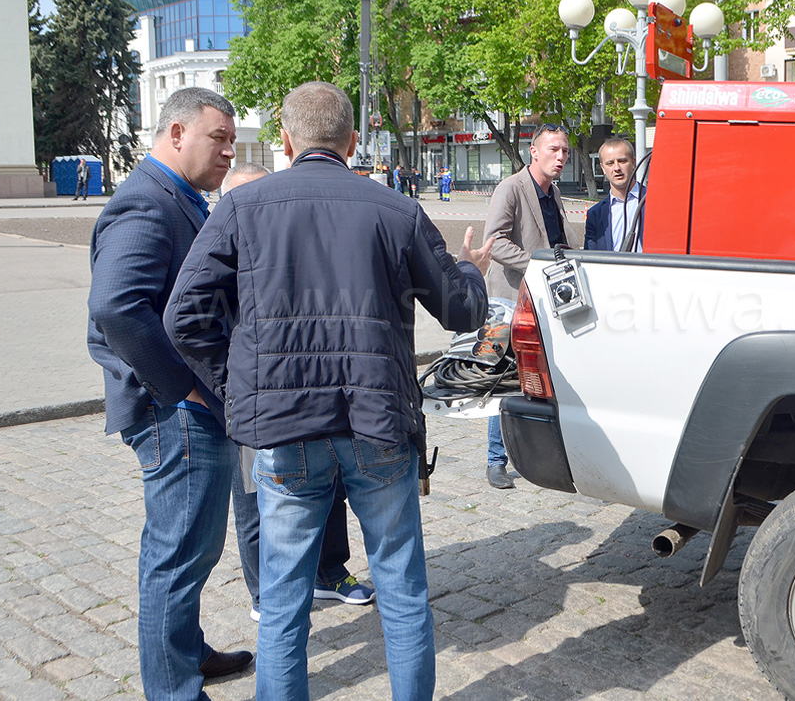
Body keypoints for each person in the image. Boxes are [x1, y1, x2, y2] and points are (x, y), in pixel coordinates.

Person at [164, 81, 493, 701]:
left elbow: (184, 316)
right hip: (376, 425)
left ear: (286, 141)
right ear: (351, 140)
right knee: (400, 588)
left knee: (284, 599)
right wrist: (470, 268)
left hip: (285, 431)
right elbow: (460, 309)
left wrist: (236, 393)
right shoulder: (392, 209)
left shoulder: (241, 208)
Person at [87, 87, 252, 700]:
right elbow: (116, 307)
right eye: (219, 138)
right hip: (171, 411)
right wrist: (184, 389)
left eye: (233, 140)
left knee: (195, 549)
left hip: (183, 406)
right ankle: (174, 690)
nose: (229, 152)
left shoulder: (178, 197)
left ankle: (186, 651)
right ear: (176, 132)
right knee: (177, 557)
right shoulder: (147, 204)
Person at [218, 162, 375, 622]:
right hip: (252, 402)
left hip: (301, 396)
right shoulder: (217, 245)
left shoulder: (279, 238)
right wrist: (227, 386)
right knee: (252, 502)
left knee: (329, 487)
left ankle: (329, 572)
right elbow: (191, 322)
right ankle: (264, 595)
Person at [481, 122, 578, 489]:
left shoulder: (552, 194)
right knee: (505, 379)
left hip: (543, 299)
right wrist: (539, 262)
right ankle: (495, 461)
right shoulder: (512, 188)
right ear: (533, 151)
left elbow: (558, 243)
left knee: (539, 378)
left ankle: (536, 456)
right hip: (510, 299)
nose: (561, 157)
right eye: (554, 149)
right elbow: (495, 243)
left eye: (565, 151)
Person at [584, 138, 644, 252]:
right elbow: (590, 258)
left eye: (622, 161)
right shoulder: (595, 215)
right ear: (603, 168)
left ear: (633, 162)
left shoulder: (655, 202)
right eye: (610, 163)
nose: (617, 168)